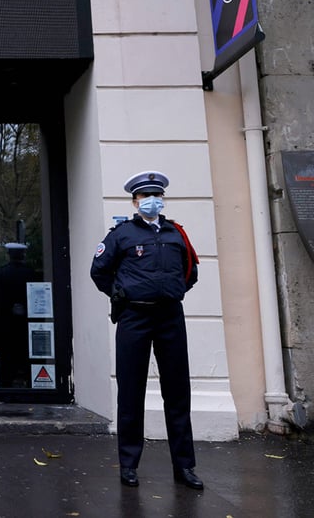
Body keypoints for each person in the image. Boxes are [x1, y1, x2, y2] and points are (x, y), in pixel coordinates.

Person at [90, 170, 203, 490]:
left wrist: (170, 291)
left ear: (162, 199)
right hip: (134, 319)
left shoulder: (175, 233)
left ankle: (185, 467)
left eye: (156, 196)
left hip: (170, 317)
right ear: (135, 201)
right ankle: (128, 466)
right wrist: (120, 294)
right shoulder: (122, 234)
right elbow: (98, 270)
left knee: (178, 393)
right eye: (145, 197)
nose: (152, 201)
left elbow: (190, 271)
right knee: (131, 392)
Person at [0, 242, 39, 387]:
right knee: (25, 351)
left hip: (6, 321)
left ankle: (6, 381)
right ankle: (29, 380)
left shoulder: (2, 272)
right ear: (23, 255)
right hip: (26, 321)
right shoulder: (30, 273)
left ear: (9, 255)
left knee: (7, 353)